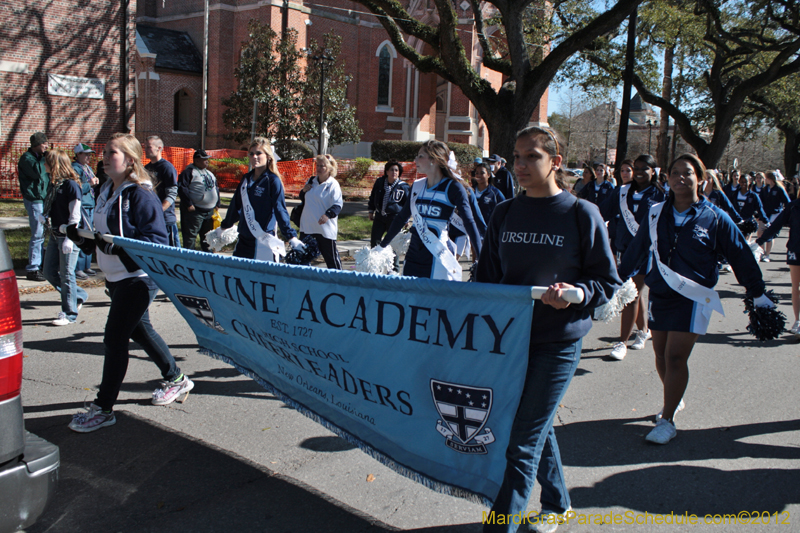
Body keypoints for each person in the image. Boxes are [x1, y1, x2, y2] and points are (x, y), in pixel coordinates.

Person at [476, 126, 620, 533]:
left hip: (557, 343)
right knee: (532, 427)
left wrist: (577, 292)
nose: (520, 165)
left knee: (518, 442)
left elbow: (607, 281)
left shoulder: (580, 214)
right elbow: (485, 279)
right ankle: (558, 502)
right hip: (508, 341)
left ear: (555, 162)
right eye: (516, 157)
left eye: (531, 157)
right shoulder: (504, 212)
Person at [618, 154, 772, 445]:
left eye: (687, 173)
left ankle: (668, 420)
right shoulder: (655, 212)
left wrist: (757, 291)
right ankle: (674, 398)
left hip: (693, 297)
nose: (679, 178)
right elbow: (638, 248)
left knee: (676, 356)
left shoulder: (715, 217)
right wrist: (617, 280)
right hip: (661, 292)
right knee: (661, 354)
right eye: (674, 172)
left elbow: (740, 254)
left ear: (700, 178)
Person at [65, 133, 194, 433]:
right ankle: (177, 378)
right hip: (116, 278)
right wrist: (83, 241)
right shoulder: (108, 190)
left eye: (113, 153)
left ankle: (104, 407)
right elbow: (103, 238)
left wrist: (121, 247)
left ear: (131, 160)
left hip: (139, 279)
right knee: (141, 330)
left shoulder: (140, 194)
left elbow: (156, 242)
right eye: (105, 153)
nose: (106, 158)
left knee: (114, 338)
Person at [378, 140, 483, 280]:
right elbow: (401, 218)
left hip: (438, 256)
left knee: (433, 300)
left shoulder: (454, 187)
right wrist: (381, 247)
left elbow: (470, 223)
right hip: (413, 256)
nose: (416, 160)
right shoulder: (417, 186)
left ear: (434, 160)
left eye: (420, 156)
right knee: (410, 298)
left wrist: (481, 258)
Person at [600, 155, 666, 360]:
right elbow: (602, 213)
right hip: (624, 250)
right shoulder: (621, 192)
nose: (638, 172)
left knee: (632, 294)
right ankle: (644, 330)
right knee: (635, 292)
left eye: (644, 168)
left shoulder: (661, 194)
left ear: (654, 170)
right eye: (635, 168)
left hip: (647, 253)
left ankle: (622, 343)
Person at [217, 137, 304, 261]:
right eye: (251, 154)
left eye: (259, 153)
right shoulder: (246, 179)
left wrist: (291, 237)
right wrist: (224, 227)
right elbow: (235, 206)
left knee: (261, 279)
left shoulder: (273, 181)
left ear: (268, 156)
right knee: (238, 277)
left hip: (263, 241)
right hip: (243, 240)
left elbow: (280, 209)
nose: (254, 157)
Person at [42, 149, 88, 326]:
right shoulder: (55, 184)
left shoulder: (70, 185)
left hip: (67, 235)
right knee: (48, 272)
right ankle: (79, 295)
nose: (44, 165)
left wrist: (70, 237)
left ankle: (69, 313)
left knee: (67, 274)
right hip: (55, 233)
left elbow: (74, 214)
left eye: (47, 162)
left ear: (55, 164)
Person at [756, 194, 800, 335]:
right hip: (796, 250)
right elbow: (776, 225)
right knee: (796, 287)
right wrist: (760, 241)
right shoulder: (793, 206)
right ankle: (798, 320)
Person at [299, 154, 344, 269]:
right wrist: (303, 191)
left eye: (322, 166)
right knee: (302, 257)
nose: (318, 168)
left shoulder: (333, 184)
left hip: (324, 228)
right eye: (317, 165)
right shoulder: (311, 181)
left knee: (331, 259)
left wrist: (327, 215)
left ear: (329, 168)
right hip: (308, 226)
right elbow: (303, 198)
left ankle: (339, 280)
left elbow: (338, 204)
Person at [17, 132, 50, 281]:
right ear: (37, 144)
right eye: (44, 144)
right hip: (34, 199)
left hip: (43, 199)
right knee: (37, 233)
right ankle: (33, 268)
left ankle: (41, 263)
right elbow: (37, 172)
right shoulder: (27, 159)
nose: (47, 146)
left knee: (43, 233)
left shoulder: (40, 158)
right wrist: (45, 158)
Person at [368, 160, 410, 270]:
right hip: (380, 217)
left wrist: (406, 220)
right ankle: (375, 266)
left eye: (396, 170)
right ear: (386, 171)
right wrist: (371, 210)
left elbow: (408, 205)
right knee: (375, 241)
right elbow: (373, 197)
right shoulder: (380, 182)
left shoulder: (403, 186)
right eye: (391, 170)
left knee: (393, 244)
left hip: (395, 218)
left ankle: (394, 269)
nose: (394, 172)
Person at [178, 149, 220, 252]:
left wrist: (217, 203)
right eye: (204, 159)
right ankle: (189, 259)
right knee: (190, 238)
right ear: (196, 161)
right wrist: (188, 204)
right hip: (195, 211)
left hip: (209, 212)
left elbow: (216, 188)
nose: (207, 161)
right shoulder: (189, 172)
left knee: (208, 238)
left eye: (207, 159)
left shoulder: (209, 173)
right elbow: (182, 188)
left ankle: (207, 259)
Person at [144, 136, 180, 247]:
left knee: (172, 253)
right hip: (151, 219)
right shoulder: (146, 168)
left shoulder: (166, 167)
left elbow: (172, 194)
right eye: (144, 147)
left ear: (159, 148)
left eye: (148, 147)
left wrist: (159, 210)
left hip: (166, 219)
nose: (145, 149)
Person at [72, 143, 99, 278]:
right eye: (86, 154)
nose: (89, 157)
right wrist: (90, 184)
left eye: (90, 154)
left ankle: (86, 265)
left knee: (89, 234)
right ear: (78, 155)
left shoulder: (87, 168)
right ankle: (78, 267)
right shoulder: (75, 169)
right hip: (82, 204)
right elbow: (77, 188)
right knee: (82, 234)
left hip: (90, 203)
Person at [757, 171, 791, 262]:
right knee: (760, 232)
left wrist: (785, 214)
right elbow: (760, 202)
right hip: (765, 214)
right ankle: (761, 252)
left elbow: (787, 202)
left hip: (775, 214)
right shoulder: (764, 189)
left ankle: (767, 254)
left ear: (770, 179)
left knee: (770, 234)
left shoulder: (779, 189)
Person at [732, 172, 769, 241]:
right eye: (742, 182)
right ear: (739, 182)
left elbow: (760, 209)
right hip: (735, 222)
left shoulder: (753, 196)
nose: (744, 184)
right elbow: (729, 207)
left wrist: (766, 221)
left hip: (747, 223)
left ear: (749, 182)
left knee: (744, 242)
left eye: (745, 182)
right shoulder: (734, 194)